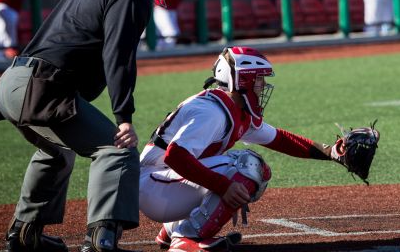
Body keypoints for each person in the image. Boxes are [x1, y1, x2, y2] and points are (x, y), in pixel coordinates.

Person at [0, 0, 172, 252]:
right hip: (41, 87)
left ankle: (24, 235)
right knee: (117, 150)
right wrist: (124, 117)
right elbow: (118, 57)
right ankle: (102, 242)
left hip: (12, 82)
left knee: (57, 152)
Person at [139, 46, 368, 251]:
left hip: (164, 186)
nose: (263, 86)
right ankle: (186, 237)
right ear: (243, 80)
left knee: (250, 168)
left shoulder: (233, 110)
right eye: (259, 80)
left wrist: (333, 153)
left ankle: (171, 230)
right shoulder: (212, 112)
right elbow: (175, 156)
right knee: (246, 166)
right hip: (154, 185)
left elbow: (281, 139)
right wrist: (224, 186)